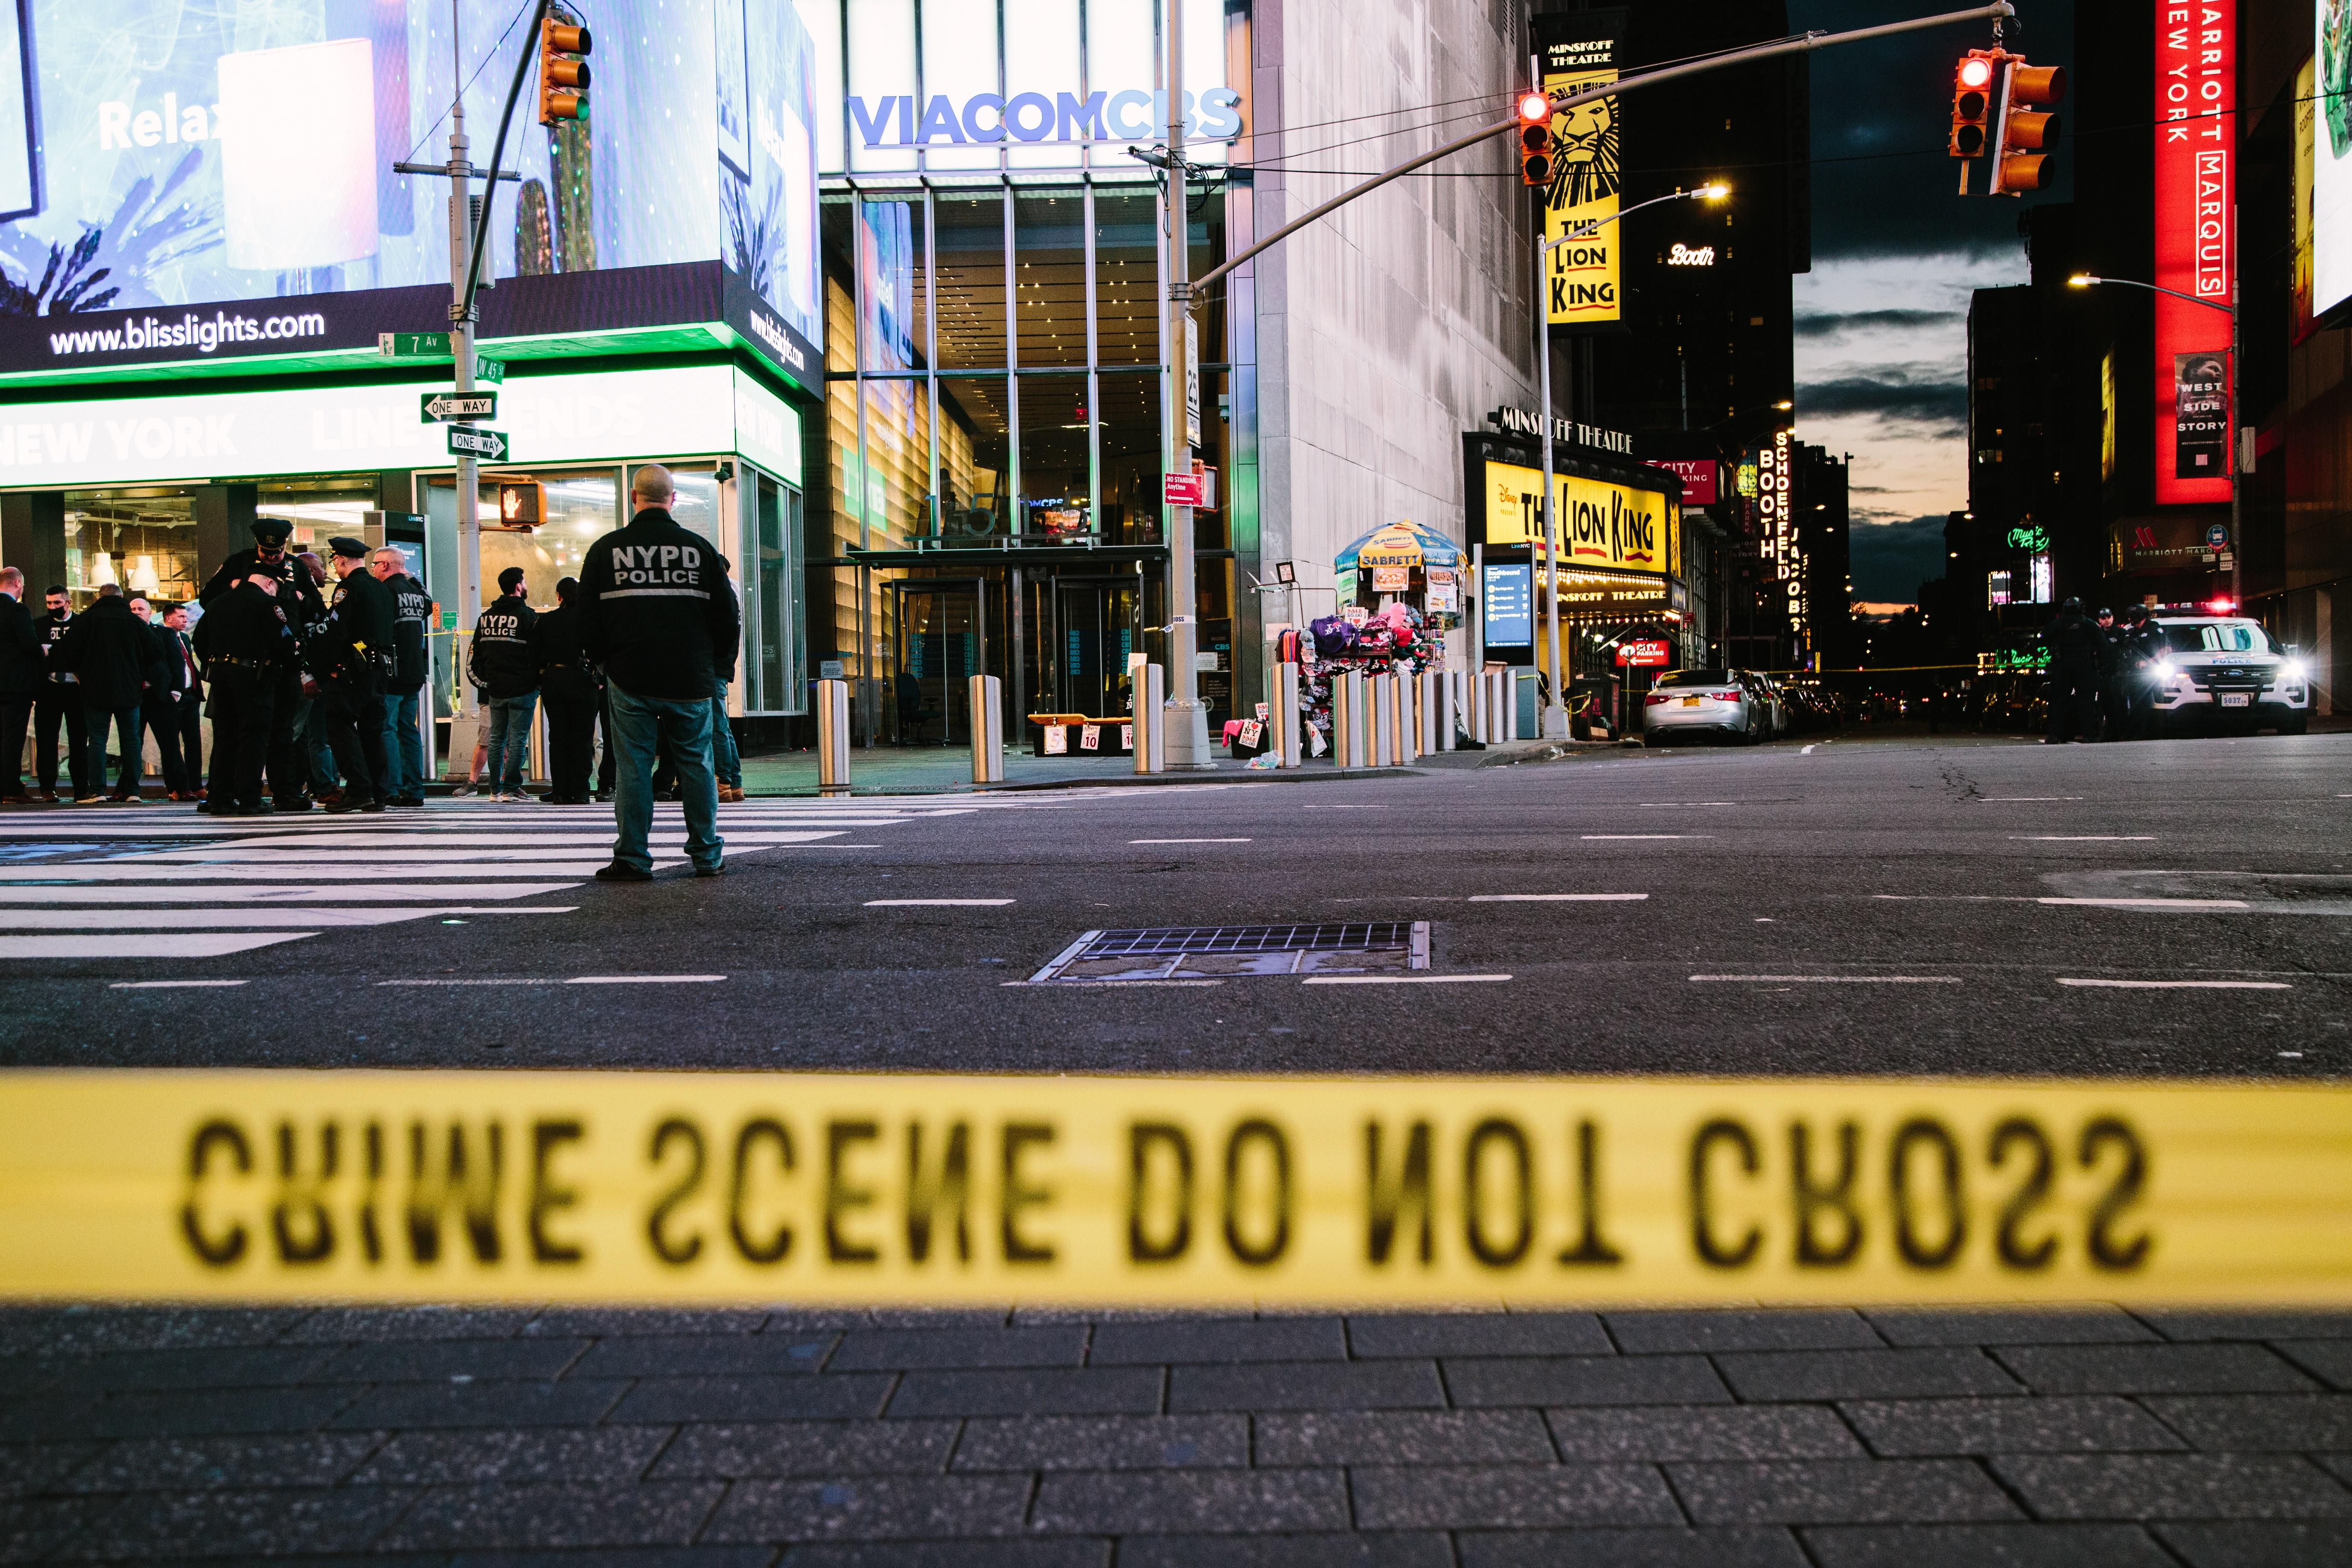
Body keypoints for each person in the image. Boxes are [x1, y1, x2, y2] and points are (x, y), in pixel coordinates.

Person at [578, 464, 736, 880]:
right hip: (691, 678)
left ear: (634, 498)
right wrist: (715, 666)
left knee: (633, 767)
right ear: (674, 499)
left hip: (630, 677)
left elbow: (588, 619)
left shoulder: (606, 550)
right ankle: (706, 855)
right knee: (697, 765)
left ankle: (633, 856)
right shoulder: (698, 549)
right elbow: (727, 617)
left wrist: (603, 661)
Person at [199, 518, 325, 811]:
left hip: (279, 663)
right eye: (266, 552)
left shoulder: (297, 569)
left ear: (284, 547)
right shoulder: (237, 563)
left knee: (280, 732)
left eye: (277, 552)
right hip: (254, 662)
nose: (271, 557)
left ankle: (284, 790)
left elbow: (317, 610)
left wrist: (300, 598)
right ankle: (230, 793)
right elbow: (208, 599)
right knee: (239, 732)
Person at [200, 570, 299, 816]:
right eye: (275, 587)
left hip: (220, 673)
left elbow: (199, 639)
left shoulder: (218, 602)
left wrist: (215, 661)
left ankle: (221, 798)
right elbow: (283, 642)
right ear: (268, 583)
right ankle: (249, 797)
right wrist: (292, 647)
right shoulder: (267, 603)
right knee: (254, 735)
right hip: (253, 675)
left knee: (225, 736)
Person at [313, 537, 394, 813]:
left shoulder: (348, 588)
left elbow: (338, 631)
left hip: (352, 670)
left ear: (342, 560)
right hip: (380, 668)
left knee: (339, 725)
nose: (334, 566)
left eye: (334, 560)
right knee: (373, 732)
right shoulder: (380, 588)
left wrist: (329, 668)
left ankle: (359, 790)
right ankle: (378, 793)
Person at [54, 583, 150, 802]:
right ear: (122, 597)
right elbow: (154, 651)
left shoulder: (86, 621)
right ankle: (133, 791)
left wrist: (83, 674)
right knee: (131, 740)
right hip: (128, 688)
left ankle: (97, 790)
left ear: (99, 597)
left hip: (95, 689)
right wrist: (138, 672)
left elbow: (67, 653)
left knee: (97, 739)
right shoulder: (134, 622)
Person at [469, 566, 541, 802]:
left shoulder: (486, 618)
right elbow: (538, 655)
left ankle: (494, 790)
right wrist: (536, 684)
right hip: (523, 690)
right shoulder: (529, 617)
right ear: (519, 586)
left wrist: (485, 684)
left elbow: (474, 658)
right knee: (518, 740)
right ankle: (512, 787)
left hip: (495, 691)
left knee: (496, 740)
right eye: (525, 581)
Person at [371, 548, 432, 806]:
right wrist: (412, 578)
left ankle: (393, 788)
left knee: (388, 729)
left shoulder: (386, 591)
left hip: (393, 672)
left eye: (374, 564)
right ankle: (415, 789)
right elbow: (429, 605)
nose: (372, 569)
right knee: (409, 730)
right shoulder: (415, 591)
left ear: (385, 565)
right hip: (414, 671)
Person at [535, 576, 599, 804]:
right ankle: (581, 791)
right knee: (583, 739)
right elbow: (601, 650)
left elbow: (536, 653)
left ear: (559, 596)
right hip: (583, 682)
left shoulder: (546, 620)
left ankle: (560, 790)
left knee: (559, 738)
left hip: (555, 681)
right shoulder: (590, 620)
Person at [144, 603, 204, 800]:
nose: (185, 620)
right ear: (168, 618)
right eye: (180, 617)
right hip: (173, 697)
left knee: (193, 743)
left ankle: (196, 785)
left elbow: (187, 665)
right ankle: (176, 787)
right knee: (171, 744)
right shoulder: (159, 635)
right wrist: (172, 691)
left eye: (186, 617)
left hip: (191, 695)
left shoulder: (185, 637)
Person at [31, 585, 84, 802]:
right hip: (49, 687)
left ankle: (81, 787)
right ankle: (47, 788)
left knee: (80, 740)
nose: (52, 607)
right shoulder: (40, 625)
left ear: (69, 602)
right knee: (46, 740)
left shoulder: (81, 624)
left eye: (57, 603)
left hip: (76, 688)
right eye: (49, 603)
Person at [0, 568, 44, 804]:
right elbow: (29, 643)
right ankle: (12, 789)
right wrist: (42, 652)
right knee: (13, 737)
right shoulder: (18, 609)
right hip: (15, 685)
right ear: (18, 584)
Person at [2041, 597, 2104, 744]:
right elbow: (2102, 645)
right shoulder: (2089, 624)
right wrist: (2099, 664)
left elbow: (2042, 640)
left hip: (2062, 667)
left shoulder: (2058, 624)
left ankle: (2057, 735)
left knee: (2059, 702)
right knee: (2086, 702)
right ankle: (2088, 735)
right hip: (2085, 667)